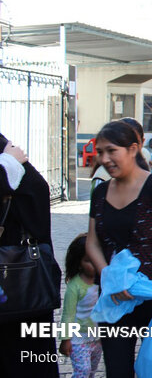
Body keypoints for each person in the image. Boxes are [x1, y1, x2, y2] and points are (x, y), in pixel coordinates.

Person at [85, 121, 152, 377]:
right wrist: (109, 276)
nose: (105, 159)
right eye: (101, 152)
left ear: (133, 149)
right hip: (115, 297)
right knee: (117, 369)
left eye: (112, 151)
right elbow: (92, 241)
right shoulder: (100, 194)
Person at [0, 134, 60, 377]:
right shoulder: (10, 158)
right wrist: (8, 165)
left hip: (22, 288)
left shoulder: (10, 159)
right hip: (28, 287)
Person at [59, 234, 102, 378]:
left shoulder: (104, 282)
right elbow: (68, 314)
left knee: (91, 370)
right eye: (88, 261)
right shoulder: (74, 286)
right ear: (79, 263)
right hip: (79, 339)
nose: (95, 264)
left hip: (97, 338)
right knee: (82, 371)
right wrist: (65, 339)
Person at [90, 118, 152, 194]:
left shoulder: (145, 154)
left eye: (135, 142)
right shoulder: (102, 179)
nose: (132, 148)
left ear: (142, 142)